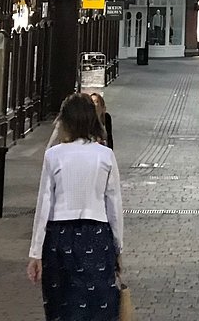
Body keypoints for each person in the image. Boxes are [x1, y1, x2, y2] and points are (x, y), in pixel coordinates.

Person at [27, 93, 124, 320]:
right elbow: (114, 205)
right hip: (97, 235)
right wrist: (118, 247)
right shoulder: (105, 155)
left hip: (59, 237)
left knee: (61, 305)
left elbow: (44, 205)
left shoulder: (54, 155)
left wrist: (35, 253)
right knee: (99, 305)